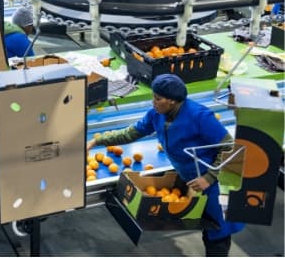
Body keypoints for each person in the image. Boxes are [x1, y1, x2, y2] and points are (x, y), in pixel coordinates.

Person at [86, 74, 244, 257]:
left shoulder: (200, 116)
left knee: (217, 234)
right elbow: (132, 133)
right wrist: (98, 141)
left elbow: (230, 147)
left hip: (214, 182)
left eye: (158, 98)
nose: (153, 102)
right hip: (191, 178)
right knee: (205, 226)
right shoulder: (157, 114)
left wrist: (209, 178)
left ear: (172, 101)